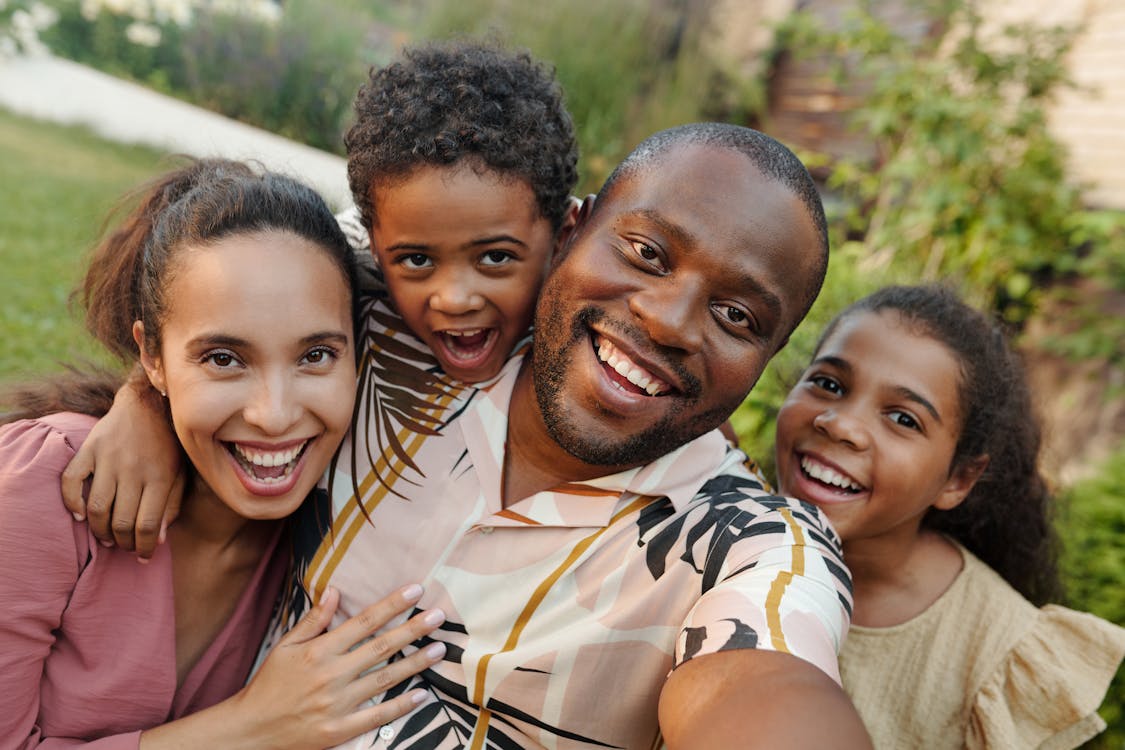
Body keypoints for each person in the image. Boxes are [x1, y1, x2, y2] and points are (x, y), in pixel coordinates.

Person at [65, 123, 872, 748]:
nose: (666, 319)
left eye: (737, 316)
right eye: (647, 252)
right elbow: (231, 261)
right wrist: (143, 395)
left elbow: (767, 682)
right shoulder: (415, 318)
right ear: (571, 228)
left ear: (764, 360)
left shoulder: (749, 546)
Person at [0, 158, 447, 748]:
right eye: (224, 358)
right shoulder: (49, 490)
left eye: (315, 355)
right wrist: (248, 727)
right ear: (151, 357)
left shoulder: (327, 537)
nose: (275, 414)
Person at [773, 284, 1125, 749]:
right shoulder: (715, 524)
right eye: (829, 384)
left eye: (903, 419)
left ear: (958, 478)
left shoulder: (995, 660)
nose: (840, 424)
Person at [336, 38, 580, 385]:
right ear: (374, 244)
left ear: (562, 237)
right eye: (417, 260)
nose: (454, 301)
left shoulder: (602, 354)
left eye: (496, 257)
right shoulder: (338, 295)